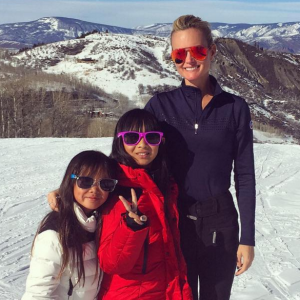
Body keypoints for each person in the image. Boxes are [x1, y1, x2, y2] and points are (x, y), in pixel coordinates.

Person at [144, 15, 256, 300]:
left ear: (213, 50)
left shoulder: (235, 108)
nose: (189, 60)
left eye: (198, 51)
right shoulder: (160, 107)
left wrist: (248, 238)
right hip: (174, 222)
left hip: (221, 223)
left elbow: (244, 175)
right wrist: (80, 183)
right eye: (180, 54)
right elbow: (130, 157)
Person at [98, 108, 192, 299]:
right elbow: (112, 264)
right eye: (132, 138)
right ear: (120, 141)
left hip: (164, 289)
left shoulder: (163, 183)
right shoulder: (112, 185)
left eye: (152, 138)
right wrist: (131, 228)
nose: (143, 145)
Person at [22, 150, 118, 300]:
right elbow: (38, 294)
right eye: (85, 181)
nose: (94, 190)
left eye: (105, 184)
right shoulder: (54, 235)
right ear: (71, 181)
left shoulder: (101, 223)